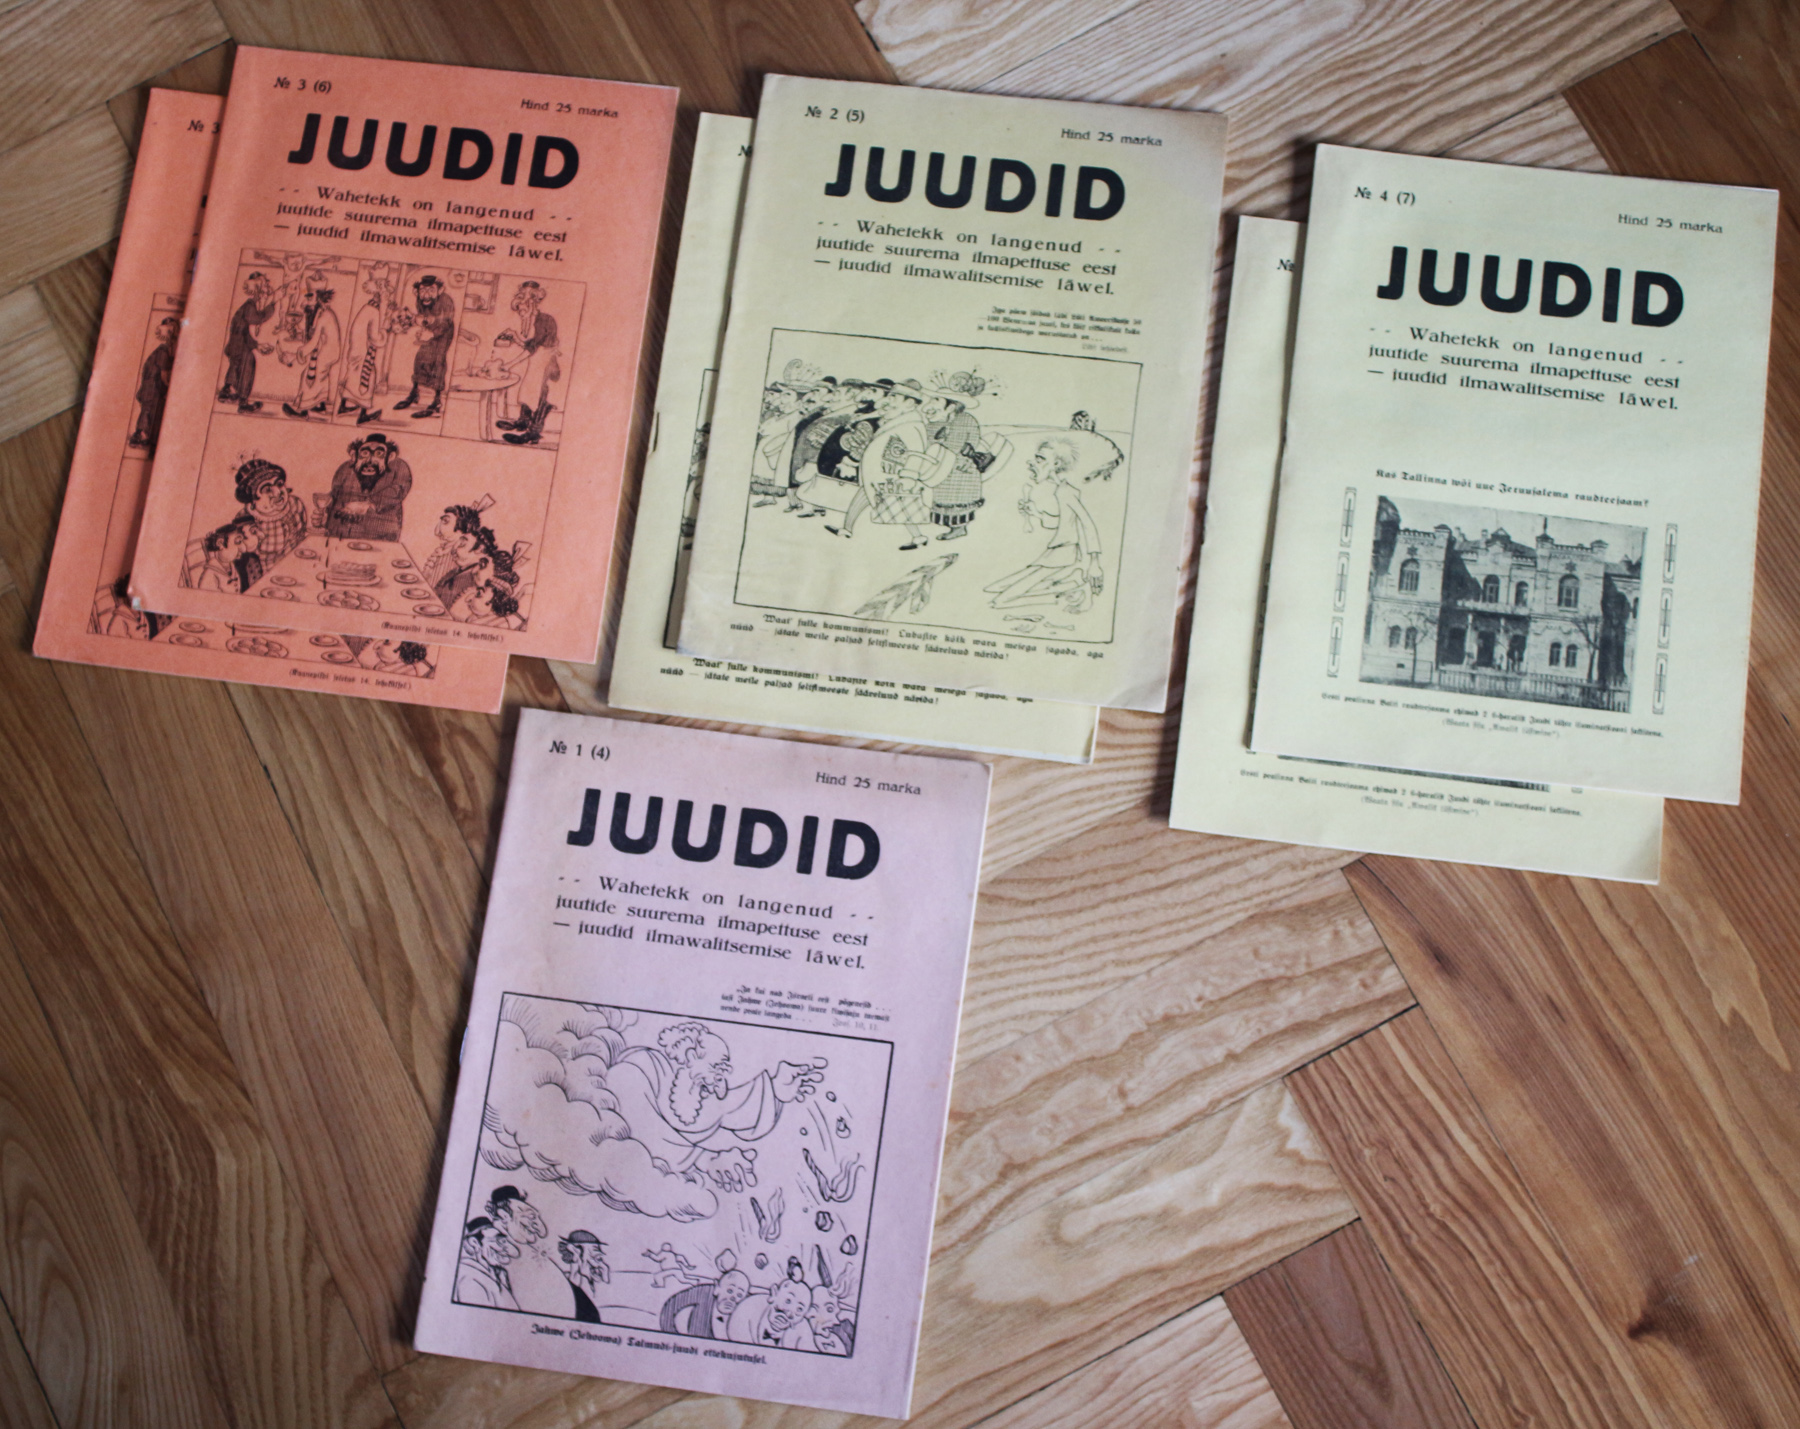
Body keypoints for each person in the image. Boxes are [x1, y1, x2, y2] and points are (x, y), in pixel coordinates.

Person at [985, 432, 1111, 613]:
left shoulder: (1066, 492)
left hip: (1063, 553)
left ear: (1056, 464)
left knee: (999, 600)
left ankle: (1062, 593)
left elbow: (1087, 524)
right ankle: (1071, 582)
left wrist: (1095, 564)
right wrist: (1036, 513)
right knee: (996, 587)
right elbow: (1063, 523)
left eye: (1040, 459)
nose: (1032, 463)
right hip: (1054, 552)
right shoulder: (1059, 491)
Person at [831, 379, 952, 550]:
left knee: (901, 506)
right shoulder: (898, 419)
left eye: (894, 397)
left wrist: (909, 476)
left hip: (893, 473)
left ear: (909, 403)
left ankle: (918, 537)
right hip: (879, 472)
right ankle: (846, 529)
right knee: (867, 496)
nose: (888, 400)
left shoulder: (912, 425)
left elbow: (916, 452)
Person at [922, 373, 997, 540]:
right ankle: (951, 527)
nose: (931, 403)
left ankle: (959, 529)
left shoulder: (965, 420)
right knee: (944, 497)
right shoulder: (935, 422)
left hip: (962, 468)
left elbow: (968, 441)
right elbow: (930, 443)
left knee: (958, 499)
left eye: (936, 400)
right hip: (944, 468)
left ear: (951, 406)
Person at [495, 280, 561, 445]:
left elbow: (532, 348)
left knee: (539, 395)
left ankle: (533, 432)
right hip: (538, 360)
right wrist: (514, 336)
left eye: (522, 310)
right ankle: (523, 422)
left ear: (531, 303)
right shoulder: (534, 320)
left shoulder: (544, 320)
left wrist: (509, 364)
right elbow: (529, 344)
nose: (520, 313)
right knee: (527, 390)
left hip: (547, 363)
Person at [324, 434, 411, 540]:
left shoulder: (398, 467)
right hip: (341, 536)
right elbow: (335, 494)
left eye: (379, 454)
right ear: (354, 455)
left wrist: (368, 504)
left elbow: (397, 490)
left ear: (390, 457)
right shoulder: (345, 469)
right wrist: (325, 514)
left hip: (379, 537)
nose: (370, 460)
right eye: (365, 453)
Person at [282, 270, 342, 418]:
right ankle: (319, 405)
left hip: (327, 352)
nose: (306, 301)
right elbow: (313, 336)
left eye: (310, 297)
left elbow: (314, 342)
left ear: (319, 298)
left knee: (310, 378)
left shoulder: (323, 315)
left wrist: (295, 355)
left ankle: (302, 410)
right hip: (325, 350)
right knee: (318, 377)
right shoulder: (320, 313)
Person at [395, 274, 455, 419]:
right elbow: (423, 317)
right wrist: (416, 324)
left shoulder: (446, 301)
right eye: (423, 291)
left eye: (431, 291)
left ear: (439, 290)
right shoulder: (420, 300)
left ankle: (436, 401)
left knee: (438, 361)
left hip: (443, 332)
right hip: (430, 331)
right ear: (417, 291)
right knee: (420, 358)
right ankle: (415, 393)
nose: (426, 295)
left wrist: (432, 332)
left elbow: (445, 322)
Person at [219, 271, 276, 412]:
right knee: (247, 366)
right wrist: (273, 305)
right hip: (239, 346)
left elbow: (243, 332)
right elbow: (258, 318)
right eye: (264, 288)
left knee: (237, 367)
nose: (267, 291)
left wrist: (257, 345)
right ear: (257, 290)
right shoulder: (249, 306)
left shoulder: (247, 306)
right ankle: (243, 403)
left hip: (237, 344)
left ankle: (227, 392)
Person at [232, 458, 307, 565]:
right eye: (267, 489)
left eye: (279, 484)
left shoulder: (295, 505)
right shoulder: (244, 520)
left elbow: (302, 538)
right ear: (253, 499)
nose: (277, 492)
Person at [339, 269, 390, 423]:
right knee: (368, 377)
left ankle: (343, 405)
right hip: (363, 353)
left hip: (356, 351)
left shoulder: (367, 308)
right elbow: (375, 338)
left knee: (352, 376)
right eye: (385, 296)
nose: (387, 299)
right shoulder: (373, 311)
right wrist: (385, 331)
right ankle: (363, 414)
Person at [130, 315, 180, 451]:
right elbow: (164, 376)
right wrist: (170, 390)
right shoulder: (163, 351)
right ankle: (141, 434)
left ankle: (144, 435)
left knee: (150, 411)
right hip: (151, 389)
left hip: (153, 388)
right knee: (147, 411)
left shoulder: (164, 351)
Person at [454, 1217, 520, 1309]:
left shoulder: (499, 1275)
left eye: (502, 1241)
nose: (503, 1247)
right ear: (474, 1243)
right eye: (495, 1241)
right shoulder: (468, 1277)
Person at [194, 516, 262, 593]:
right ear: (220, 543)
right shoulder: (210, 574)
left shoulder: (233, 568)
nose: (243, 549)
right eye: (238, 542)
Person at [556, 1230, 610, 1323]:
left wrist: (605, 1278)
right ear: (576, 1251)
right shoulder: (566, 1281)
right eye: (596, 1257)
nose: (600, 1263)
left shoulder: (593, 1282)